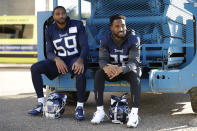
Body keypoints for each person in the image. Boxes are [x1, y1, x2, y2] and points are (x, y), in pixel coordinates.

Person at [28, 6, 89, 121]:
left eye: (63, 13)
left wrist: (80, 60)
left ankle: (80, 107)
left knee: (79, 71)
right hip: (60, 60)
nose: (61, 16)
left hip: (75, 59)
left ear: (66, 14)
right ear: (54, 16)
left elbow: (85, 46)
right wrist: (57, 59)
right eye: (58, 14)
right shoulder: (50, 30)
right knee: (35, 68)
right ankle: (41, 103)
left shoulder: (77, 25)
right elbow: (49, 52)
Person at [91, 14, 141, 127]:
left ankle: (134, 114)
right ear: (111, 28)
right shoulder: (105, 39)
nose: (121, 29)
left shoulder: (133, 38)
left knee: (135, 77)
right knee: (99, 73)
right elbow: (102, 59)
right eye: (117, 26)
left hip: (126, 70)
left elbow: (134, 61)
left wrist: (122, 69)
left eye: (123, 25)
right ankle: (100, 111)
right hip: (112, 71)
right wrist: (106, 67)